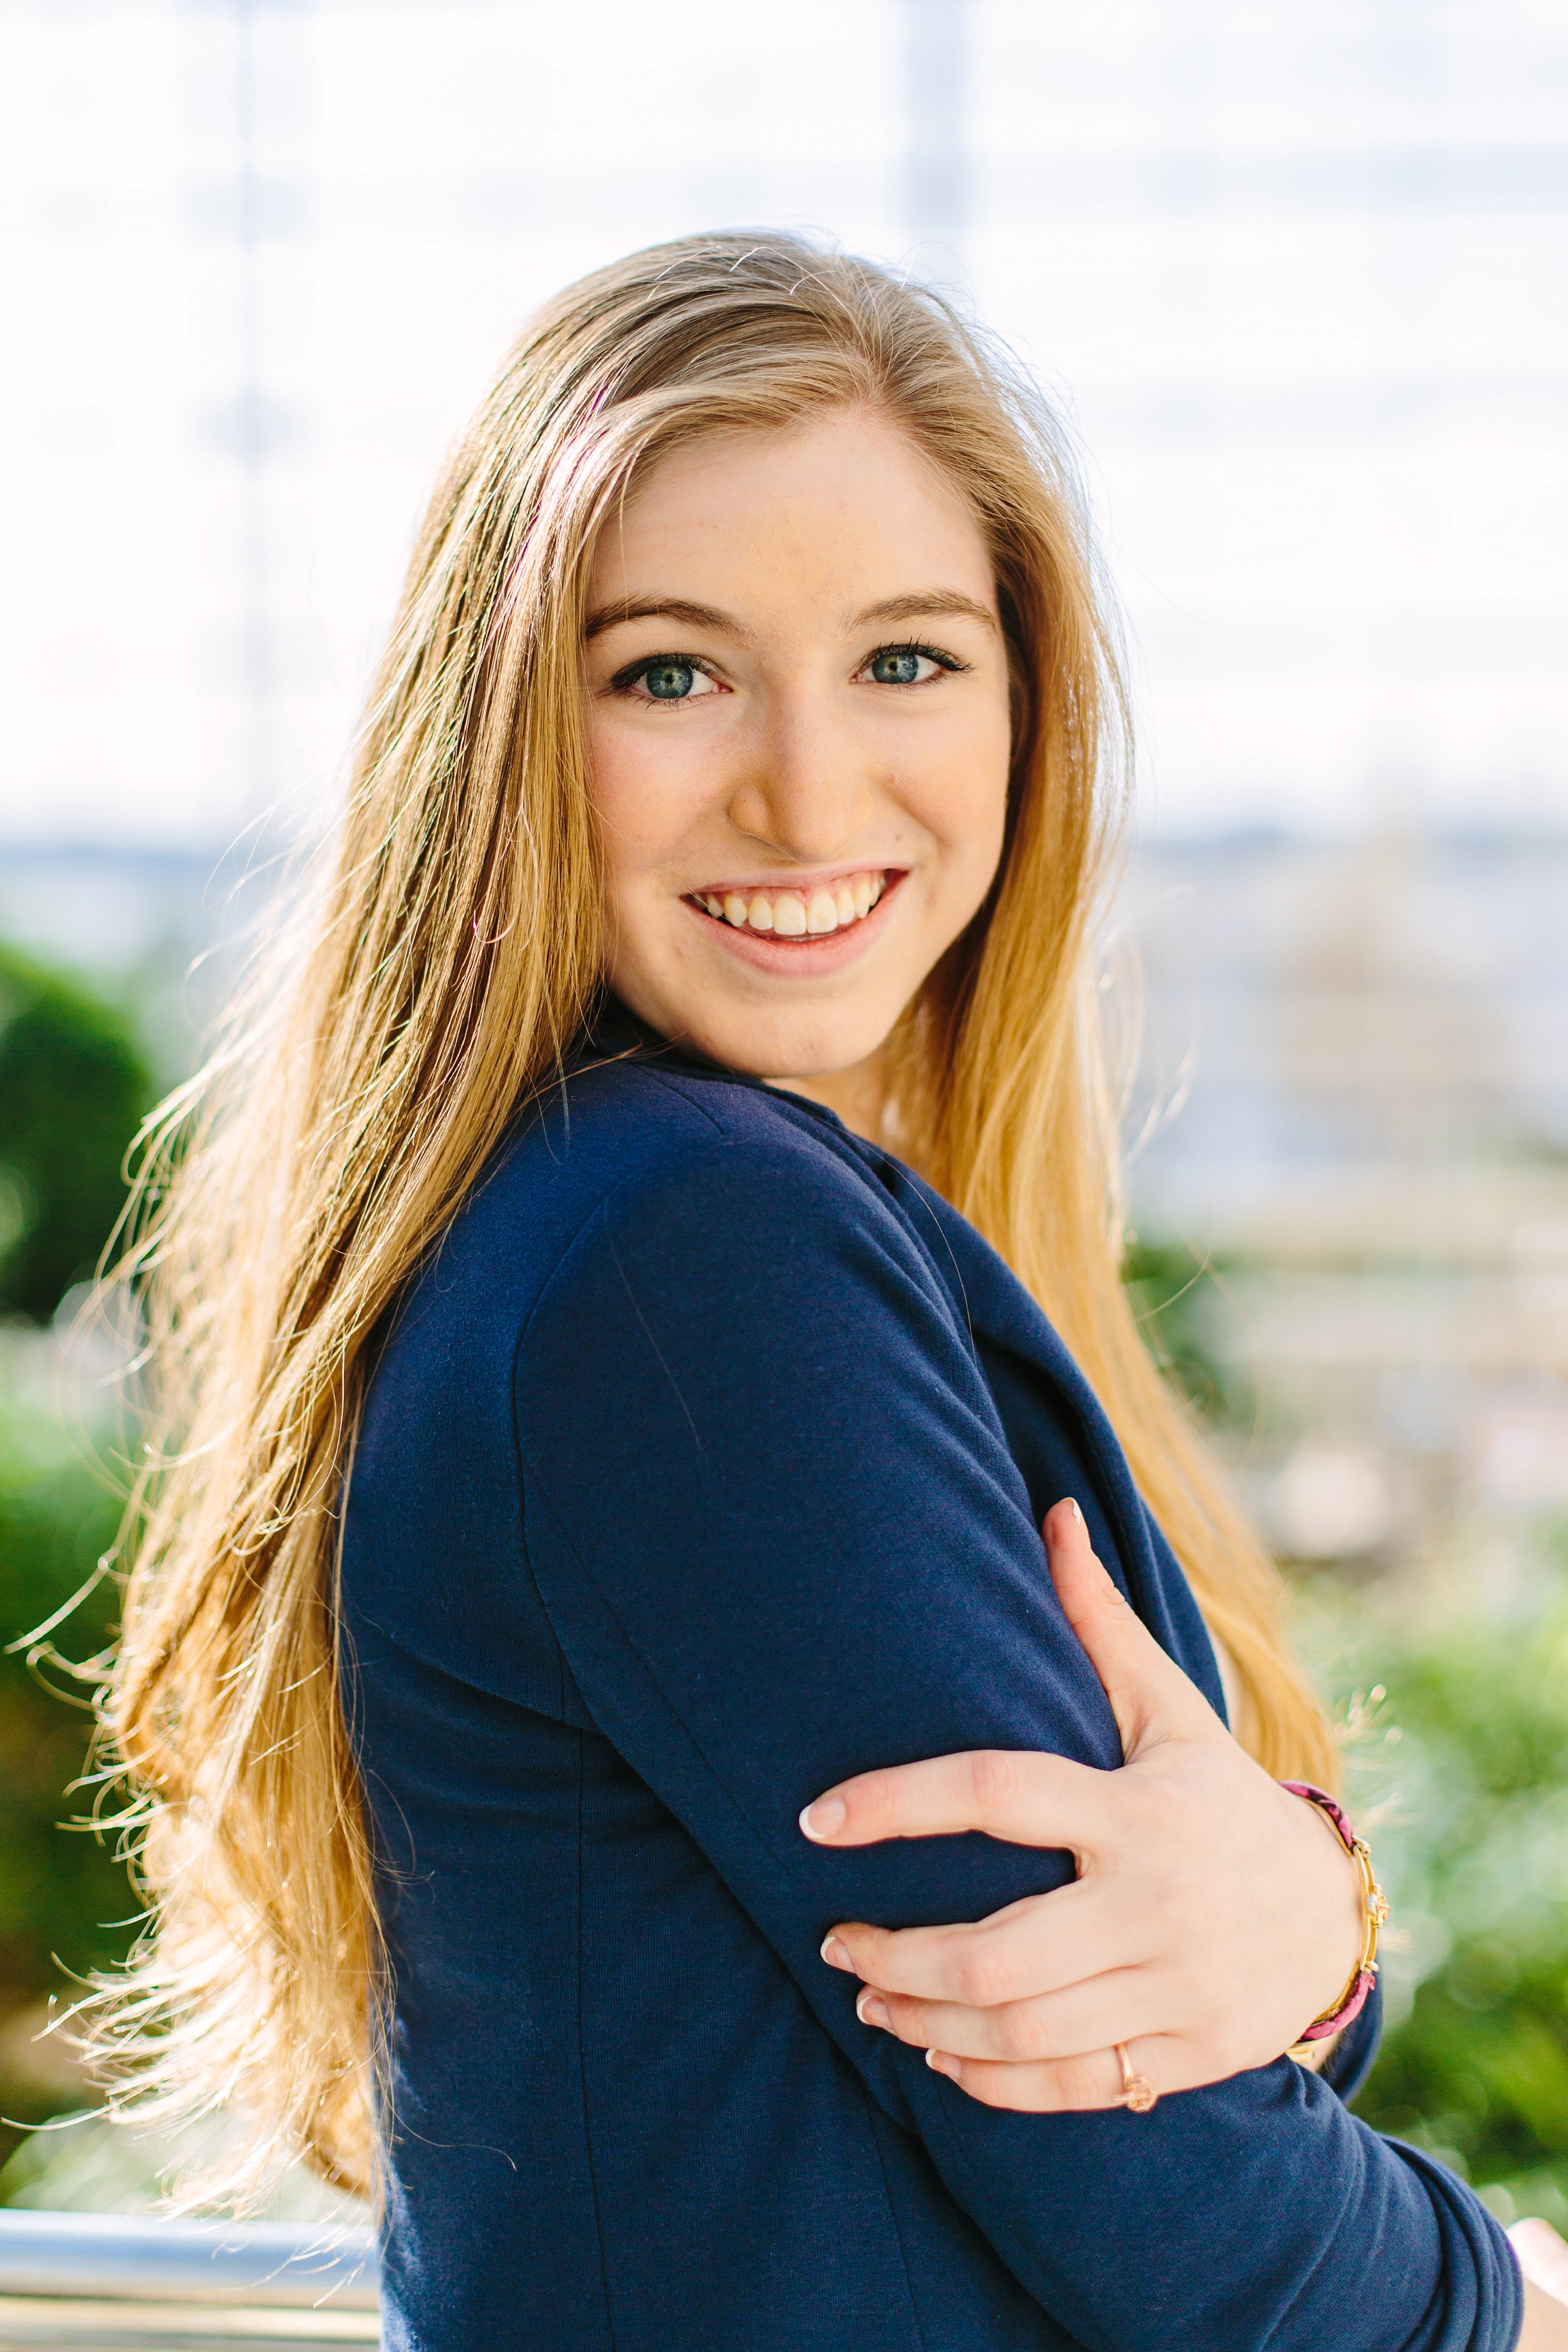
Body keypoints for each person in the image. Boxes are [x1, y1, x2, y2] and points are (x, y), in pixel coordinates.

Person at [100, 233, 1566, 2348]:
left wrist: (1310, 1915)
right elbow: (1164, 2199)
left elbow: (1162, 2027)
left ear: (1020, 698)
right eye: (668, 671)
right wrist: (1497, 2293)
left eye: (903, 659)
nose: (806, 787)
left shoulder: (608, 1220)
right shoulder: (683, 1252)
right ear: (502, 733)